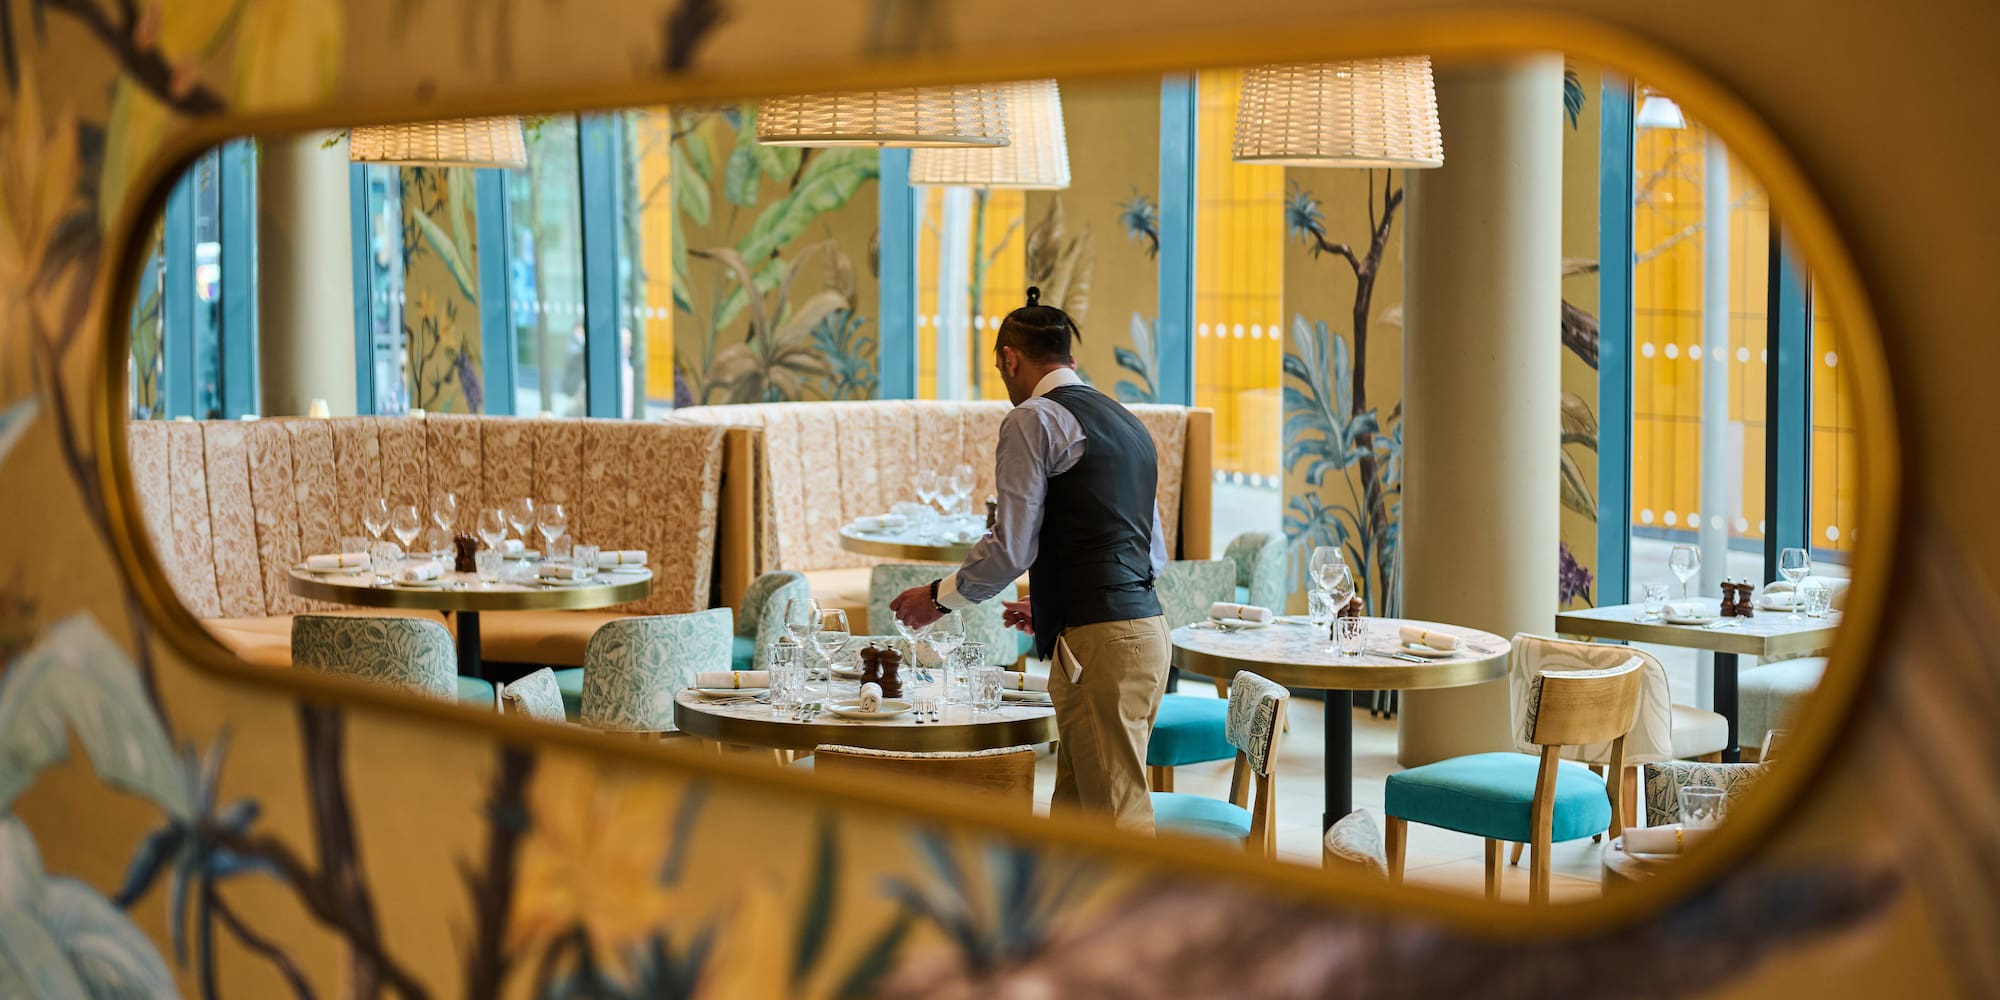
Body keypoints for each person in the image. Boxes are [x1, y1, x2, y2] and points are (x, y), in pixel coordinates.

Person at [890, 287, 1170, 832]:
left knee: (1119, 823)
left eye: (1001, 370)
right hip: (1145, 636)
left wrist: (937, 599)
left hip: (1099, 644)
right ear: (1070, 357)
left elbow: (1012, 547)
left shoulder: (1032, 419)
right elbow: (1149, 552)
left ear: (1010, 358)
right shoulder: (1127, 422)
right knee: (1077, 820)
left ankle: (1150, 921)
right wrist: (1057, 603)